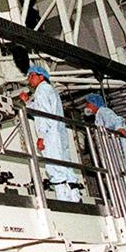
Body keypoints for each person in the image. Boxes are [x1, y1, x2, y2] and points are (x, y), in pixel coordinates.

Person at [85, 93, 126, 212]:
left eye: (88, 104)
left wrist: (119, 127)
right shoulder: (98, 116)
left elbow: (117, 119)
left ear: (93, 104)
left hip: (120, 153)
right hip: (115, 154)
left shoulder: (103, 111)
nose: (86, 107)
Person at [27, 66, 80, 202]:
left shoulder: (41, 90)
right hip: (58, 133)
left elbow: (43, 115)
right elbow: (43, 110)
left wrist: (41, 137)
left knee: (54, 167)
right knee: (65, 165)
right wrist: (27, 102)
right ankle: (74, 197)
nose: (29, 79)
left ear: (41, 76)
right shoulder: (51, 91)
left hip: (50, 135)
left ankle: (64, 200)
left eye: (31, 76)